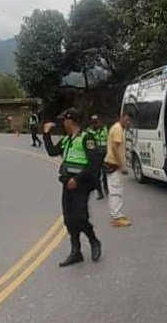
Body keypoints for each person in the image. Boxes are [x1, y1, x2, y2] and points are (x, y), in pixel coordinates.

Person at [43, 108, 102, 266]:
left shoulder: (86, 138)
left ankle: (93, 240)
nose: (62, 123)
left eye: (64, 120)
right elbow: (52, 152)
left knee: (81, 217)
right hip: (67, 183)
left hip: (81, 184)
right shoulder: (67, 140)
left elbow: (95, 163)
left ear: (70, 121)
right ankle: (76, 251)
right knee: (69, 218)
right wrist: (46, 134)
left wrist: (78, 178)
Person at [104, 111, 133, 227]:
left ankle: (117, 214)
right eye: (126, 120)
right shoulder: (118, 129)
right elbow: (115, 149)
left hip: (111, 163)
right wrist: (122, 166)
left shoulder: (117, 128)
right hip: (113, 164)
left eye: (129, 121)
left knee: (116, 190)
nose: (128, 123)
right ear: (121, 118)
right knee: (116, 191)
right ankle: (116, 217)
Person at [87, 114, 109, 200]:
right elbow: (89, 145)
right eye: (94, 122)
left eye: (97, 122)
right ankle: (100, 192)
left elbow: (107, 140)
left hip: (104, 153)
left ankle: (106, 188)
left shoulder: (104, 129)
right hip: (95, 155)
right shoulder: (89, 131)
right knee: (96, 175)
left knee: (105, 173)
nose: (96, 124)